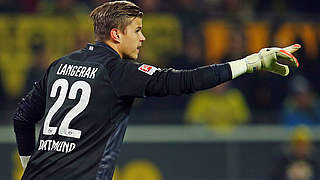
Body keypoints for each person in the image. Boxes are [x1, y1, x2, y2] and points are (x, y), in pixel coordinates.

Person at [13, 1, 301, 180]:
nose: (143, 37)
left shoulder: (60, 65)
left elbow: (22, 119)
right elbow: (186, 81)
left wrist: (30, 167)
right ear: (116, 34)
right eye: (136, 30)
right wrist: (252, 62)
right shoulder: (117, 72)